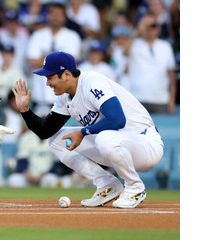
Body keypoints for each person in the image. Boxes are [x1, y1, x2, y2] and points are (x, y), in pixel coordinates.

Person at [12, 51, 164, 208]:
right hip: (117, 146)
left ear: (66, 74)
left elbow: (117, 119)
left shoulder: (92, 82)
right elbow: (45, 131)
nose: (47, 83)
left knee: (104, 138)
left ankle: (135, 187)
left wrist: (83, 132)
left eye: (50, 77)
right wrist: (25, 111)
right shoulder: (64, 98)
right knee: (57, 140)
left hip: (145, 144)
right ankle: (106, 184)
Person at [26, 2, 81, 116]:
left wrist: (44, 58)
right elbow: (32, 61)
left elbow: (70, 64)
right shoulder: (37, 35)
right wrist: (58, 58)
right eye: (53, 13)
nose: (56, 17)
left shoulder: (72, 36)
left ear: (65, 18)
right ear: (47, 16)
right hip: (39, 98)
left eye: (59, 14)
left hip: (64, 99)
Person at [123, 13, 176, 114]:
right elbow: (124, 52)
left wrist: (172, 100)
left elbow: (171, 75)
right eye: (146, 26)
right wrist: (137, 30)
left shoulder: (166, 46)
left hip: (161, 100)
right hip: (137, 99)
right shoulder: (134, 43)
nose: (149, 29)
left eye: (153, 25)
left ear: (159, 28)